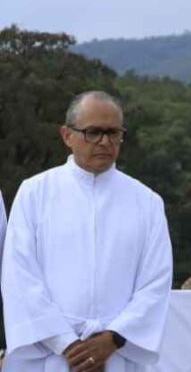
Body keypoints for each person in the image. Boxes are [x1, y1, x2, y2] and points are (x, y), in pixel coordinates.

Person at [1, 91, 173, 371]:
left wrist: (112, 339)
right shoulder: (34, 193)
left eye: (113, 133)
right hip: (50, 355)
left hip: (117, 355)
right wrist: (67, 345)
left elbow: (155, 282)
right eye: (93, 132)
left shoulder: (147, 202)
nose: (105, 142)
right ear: (67, 135)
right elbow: (19, 275)